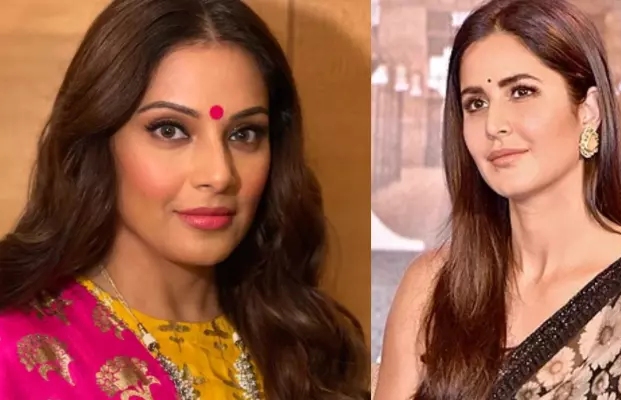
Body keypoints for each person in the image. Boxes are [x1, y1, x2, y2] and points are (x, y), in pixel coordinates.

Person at [0, 0, 369, 399]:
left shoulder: (302, 343)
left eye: (244, 134)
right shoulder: (17, 351)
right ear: (97, 141)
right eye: (170, 130)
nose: (219, 174)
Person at [374, 0, 621, 399]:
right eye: (476, 103)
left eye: (521, 92)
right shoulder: (432, 287)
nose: (494, 125)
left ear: (589, 111)